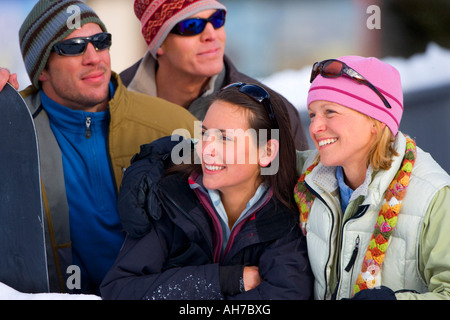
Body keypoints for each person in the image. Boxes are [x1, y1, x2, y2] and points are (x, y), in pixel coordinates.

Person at [0, 0, 197, 295]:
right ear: (41, 69)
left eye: (100, 42)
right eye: (74, 47)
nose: (94, 58)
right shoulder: (12, 131)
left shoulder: (173, 124)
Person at [100, 82, 314, 300]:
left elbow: (285, 295)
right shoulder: (170, 196)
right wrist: (226, 280)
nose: (206, 149)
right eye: (204, 134)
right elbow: (119, 289)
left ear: (267, 152)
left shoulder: (290, 219)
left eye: (224, 138)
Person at [294, 56, 450, 300]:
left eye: (330, 112)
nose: (314, 128)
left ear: (374, 123)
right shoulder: (308, 176)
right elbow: (255, 159)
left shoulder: (434, 197)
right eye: (313, 115)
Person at [121, 0, 309, 151]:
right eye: (192, 25)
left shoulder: (273, 111)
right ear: (159, 43)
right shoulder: (108, 103)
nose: (211, 34)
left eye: (217, 19)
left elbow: (293, 194)